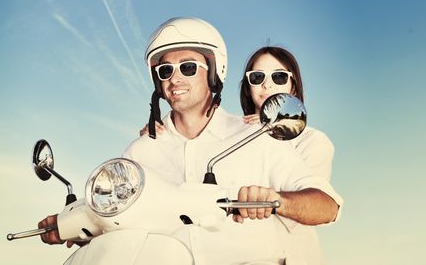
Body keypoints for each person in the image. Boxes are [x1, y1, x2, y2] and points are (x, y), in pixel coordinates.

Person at [38, 17, 342, 264]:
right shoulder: (140, 151)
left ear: (214, 72)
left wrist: (275, 200)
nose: (175, 78)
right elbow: (118, 212)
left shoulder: (255, 138)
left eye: (187, 67)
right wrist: (72, 222)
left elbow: (326, 206)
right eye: (165, 70)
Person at [239, 46, 335, 263]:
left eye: (279, 76)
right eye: (257, 77)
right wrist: (161, 132)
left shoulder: (314, 141)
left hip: (289, 256)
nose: (267, 84)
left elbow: (307, 208)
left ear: (293, 87)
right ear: (248, 87)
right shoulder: (231, 137)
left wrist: (269, 131)